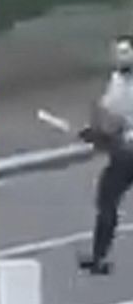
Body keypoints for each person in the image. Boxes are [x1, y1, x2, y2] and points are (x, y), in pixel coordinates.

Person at [78, 35, 133, 274]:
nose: (120, 57)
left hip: (126, 150)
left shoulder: (122, 81)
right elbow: (107, 112)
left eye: (125, 52)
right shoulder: (118, 79)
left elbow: (113, 117)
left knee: (107, 201)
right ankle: (98, 257)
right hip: (124, 152)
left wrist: (100, 133)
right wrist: (95, 131)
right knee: (106, 201)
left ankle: (99, 257)